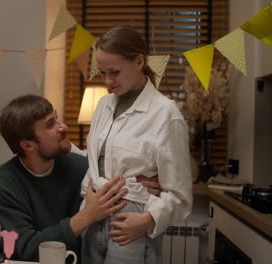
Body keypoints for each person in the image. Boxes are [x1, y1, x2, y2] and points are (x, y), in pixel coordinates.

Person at [80, 25, 193, 263]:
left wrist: (148, 219)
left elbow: (180, 195)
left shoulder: (166, 113)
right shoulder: (103, 105)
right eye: (102, 73)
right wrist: (88, 202)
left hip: (130, 223)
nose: (108, 81)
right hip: (93, 216)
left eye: (115, 72)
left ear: (140, 61)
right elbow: (96, 162)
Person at [0, 94, 129, 262]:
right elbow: (26, 248)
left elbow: (124, 183)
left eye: (56, 118)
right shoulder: (5, 182)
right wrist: (86, 216)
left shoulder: (81, 167)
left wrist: (151, 183)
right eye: (50, 125)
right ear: (27, 145)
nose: (63, 126)